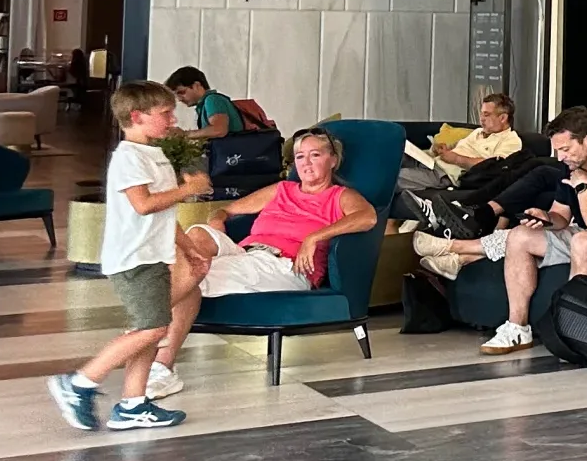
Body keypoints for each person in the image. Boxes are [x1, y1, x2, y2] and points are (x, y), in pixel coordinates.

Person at [46, 81, 213, 432]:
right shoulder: (129, 157)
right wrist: (189, 189)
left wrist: (188, 248)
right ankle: (79, 383)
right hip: (134, 259)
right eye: (165, 113)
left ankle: (133, 404)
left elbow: (162, 215)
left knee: (149, 328)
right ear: (137, 116)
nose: (172, 120)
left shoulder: (154, 153)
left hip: (153, 255)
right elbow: (144, 205)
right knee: (153, 327)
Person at [431, 107, 587, 357]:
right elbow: (560, 216)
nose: (561, 157)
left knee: (583, 241)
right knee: (520, 236)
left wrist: (582, 186)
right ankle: (517, 328)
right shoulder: (570, 166)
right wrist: (545, 218)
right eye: (557, 150)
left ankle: (579, 331)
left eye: (566, 149)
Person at [175, 128, 378, 306]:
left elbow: (367, 217)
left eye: (315, 155)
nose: (306, 163)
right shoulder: (282, 189)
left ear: (333, 160)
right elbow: (226, 210)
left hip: (286, 266)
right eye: (300, 156)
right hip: (246, 253)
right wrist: (217, 218)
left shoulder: (340, 196)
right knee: (197, 236)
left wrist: (314, 237)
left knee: (191, 273)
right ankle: (163, 321)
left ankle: (159, 324)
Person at [431, 92, 521, 171]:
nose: (481, 119)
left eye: (486, 115)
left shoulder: (511, 140)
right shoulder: (478, 131)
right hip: (435, 163)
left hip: (448, 174)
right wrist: (441, 150)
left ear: (503, 118)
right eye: (481, 114)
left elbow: (494, 167)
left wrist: (457, 159)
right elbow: (457, 148)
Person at [165, 67, 246, 141]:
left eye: (182, 92)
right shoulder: (207, 103)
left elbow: (219, 130)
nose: (179, 99)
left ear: (197, 85)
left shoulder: (212, 100)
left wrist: (185, 134)